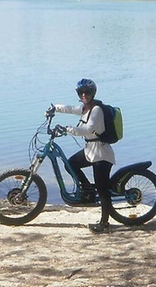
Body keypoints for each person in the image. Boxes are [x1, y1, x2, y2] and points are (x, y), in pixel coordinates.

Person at [49, 78, 114, 233]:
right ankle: (87, 191)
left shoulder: (96, 109)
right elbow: (71, 109)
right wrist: (54, 108)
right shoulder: (86, 108)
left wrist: (67, 129)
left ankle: (104, 223)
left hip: (101, 153)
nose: (84, 95)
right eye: (81, 92)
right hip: (90, 150)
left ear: (93, 93)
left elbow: (88, 130)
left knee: (103, 189)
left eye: (87, 92)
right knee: (70, 164)